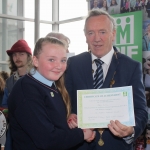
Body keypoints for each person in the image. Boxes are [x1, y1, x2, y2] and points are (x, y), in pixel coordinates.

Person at [65, 9, 148, 150]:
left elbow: (141, 110)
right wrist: (69, 116)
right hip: (80, 145)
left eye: (102, 32)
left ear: (113, 34)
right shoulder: (73, 64)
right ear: (85, 36)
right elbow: (64, 102)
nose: (96, 38)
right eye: (91, 33)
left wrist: (130, 131)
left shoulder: (131, 67)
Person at [7, 37, 95, 150]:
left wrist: (67, 121)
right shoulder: (27, 90)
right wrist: (82, 134)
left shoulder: (48, 84)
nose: (59, 66)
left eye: (63, 60)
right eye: (51, 60)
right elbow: (47, 140)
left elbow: (49, 122)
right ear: (35, 61)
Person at [1, 39, 32, 108]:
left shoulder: (37, 78)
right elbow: (5, 106)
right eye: (14, 54)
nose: (17, 57)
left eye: (21, 54)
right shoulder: (9, 81)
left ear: (28, 56)